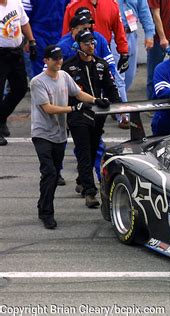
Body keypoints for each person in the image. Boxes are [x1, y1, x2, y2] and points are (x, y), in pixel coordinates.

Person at [30, 45, 98, 229]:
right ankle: (47, 213)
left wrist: (95, 100)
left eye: (60, 57)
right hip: (42, 134)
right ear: (46, 61)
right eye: (54, 58)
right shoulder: (37, 82)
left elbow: (77, 92)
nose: (59, 61)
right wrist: (73, 108)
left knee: (49, 175)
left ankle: (42, 204)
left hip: (59, 135)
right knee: (50, 172)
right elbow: (48, 108)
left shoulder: (64, 76)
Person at [62, 30, 121, 208]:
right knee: (84, 150)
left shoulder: (101, 65)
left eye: (93, 42)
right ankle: (90, 191)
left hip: (98, 115)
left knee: (93, 148)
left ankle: (81, 180)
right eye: (86, 43)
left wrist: (119, 109)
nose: (91, 46)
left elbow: (111, 88)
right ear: (78, 45)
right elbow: (63, 94)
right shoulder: (68, 67)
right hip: (78, 114)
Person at [62, 1, 130, 128]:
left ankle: (122, 115)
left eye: (89, 27)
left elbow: (109, 66)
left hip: (96, 85)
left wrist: (123, 52)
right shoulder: (64, 45)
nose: (88, 31)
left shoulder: (99, 38)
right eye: (84, 28)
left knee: (115, 84)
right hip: (76, 92)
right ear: (74, 29)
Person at [0, 0, 36, 146]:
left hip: (15, 53)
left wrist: (32, 41)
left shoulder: (16, 2)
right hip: (0, 55)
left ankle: (1, 117)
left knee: (20, 88)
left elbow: (24, 22)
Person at [146, 0, 170, 99]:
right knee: (154, 73)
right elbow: (156, 15)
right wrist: (162, 37)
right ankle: (151, 104)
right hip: (160, 40)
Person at [21, 0, 69, 77]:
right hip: (37, 36)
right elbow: (23, 18)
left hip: (59, 35)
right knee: (38, 72)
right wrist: (28, 39)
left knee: (58, 68)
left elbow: (69, 10)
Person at [116, 0, 155, 92]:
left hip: (131, 34)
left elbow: (144, 11)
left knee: (129, 74)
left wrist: (149, 33)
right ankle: (119, 101)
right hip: (115, 36)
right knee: (118, 76)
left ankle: (119, 98)